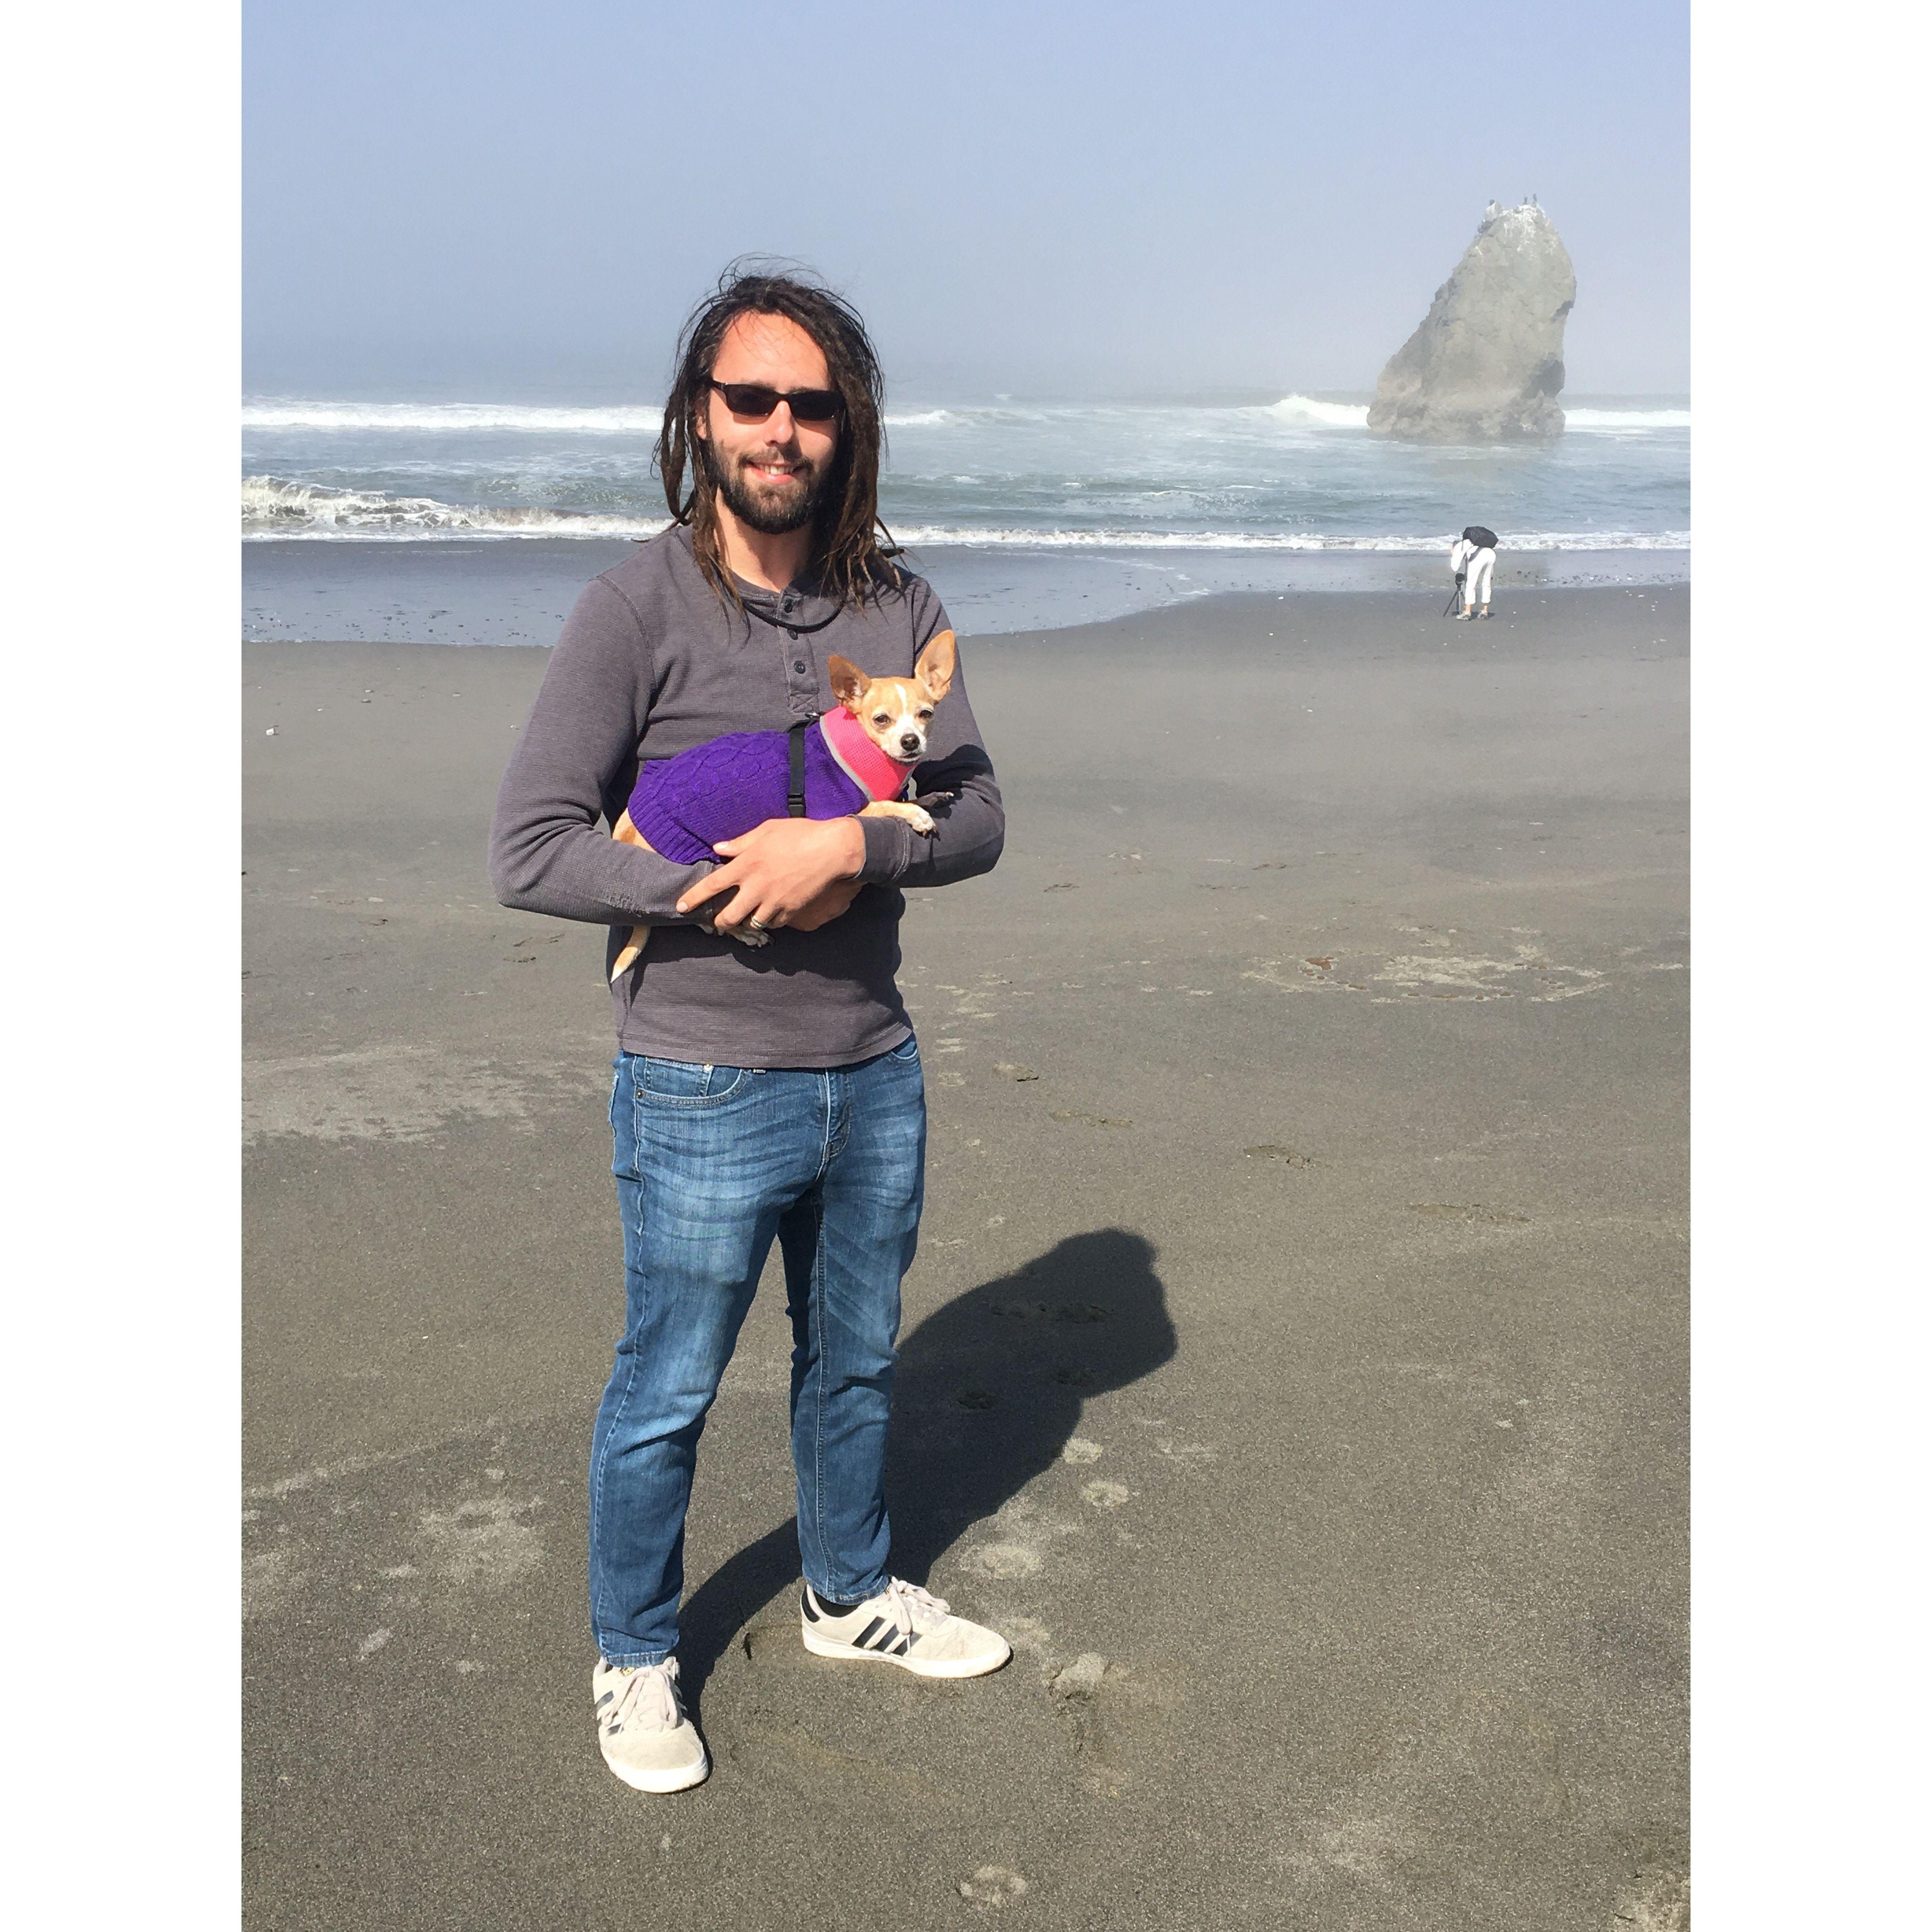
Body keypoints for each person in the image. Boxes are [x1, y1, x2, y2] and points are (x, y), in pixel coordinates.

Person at [488, 267, 1011, 1794]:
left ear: (848, 428)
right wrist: (718, 885)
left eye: (811, 404)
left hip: (876, 1064)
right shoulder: (634, 605)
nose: (780, 428)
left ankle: (849, 1596)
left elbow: (975, 815)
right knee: (668, 1387)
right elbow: (529, 846)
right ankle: (635, 1655)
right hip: (702, 1076)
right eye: (751, 399)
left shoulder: (896, 607)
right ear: (699, 417)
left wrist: (853, 849)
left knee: (854, 1365)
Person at [1450, 525, 1497, 620]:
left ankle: (1467, 612)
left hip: (1478, 556)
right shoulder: (1473, 543)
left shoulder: (1460, 546)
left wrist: (1453, 554)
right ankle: (1485, 611)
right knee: (1486, 582)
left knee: (1470, 584)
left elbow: (1455, 567)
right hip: (1491, 554)